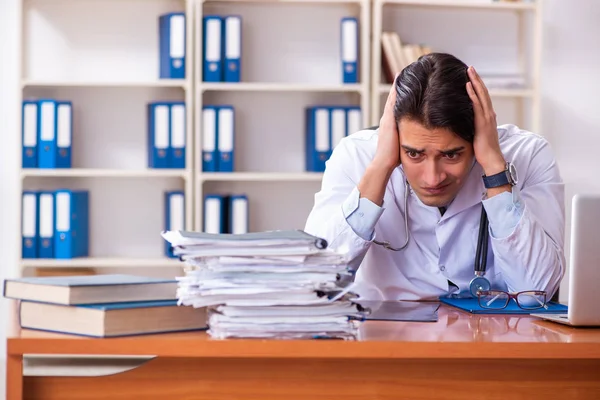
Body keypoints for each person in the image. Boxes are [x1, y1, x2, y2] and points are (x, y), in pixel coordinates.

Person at [304, 53, 565, 301]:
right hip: (385, 339)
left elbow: (536, 292)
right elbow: (316, 280)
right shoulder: (356, 156)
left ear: (477, 137)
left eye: (451, 155)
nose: (432, 178)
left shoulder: (528, 155)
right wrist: (381, 166)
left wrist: (496, 170)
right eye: (414, 154)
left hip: (493, 341)